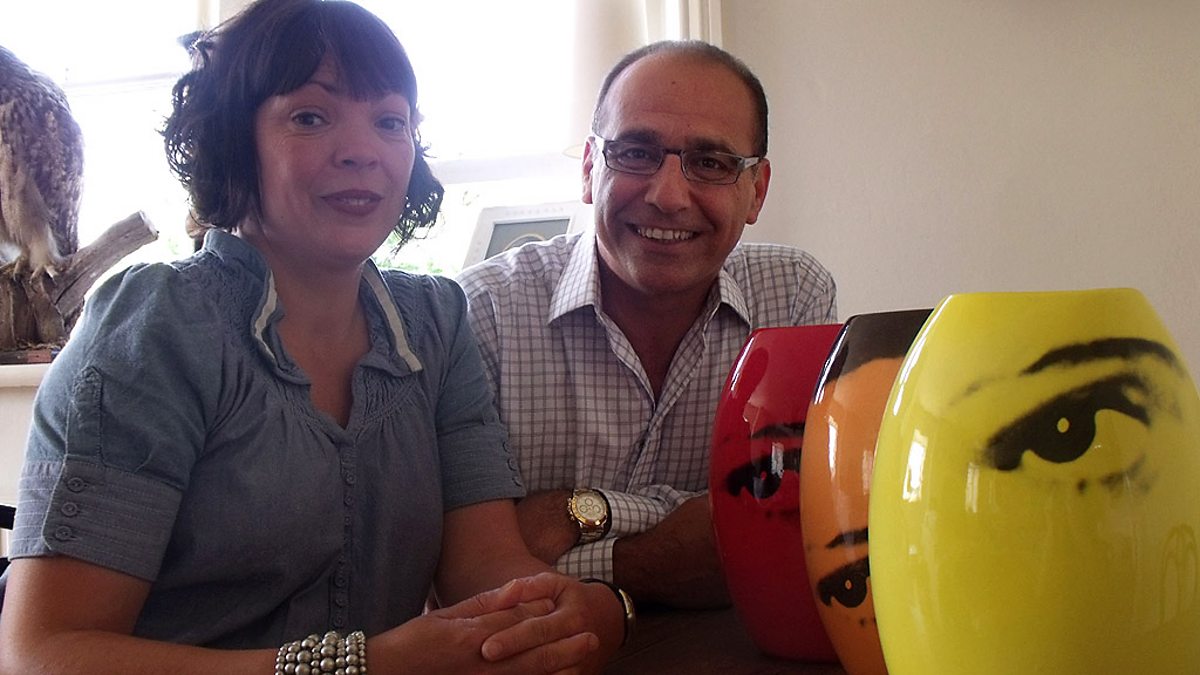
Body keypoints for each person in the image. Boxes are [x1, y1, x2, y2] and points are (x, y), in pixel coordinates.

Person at [0, 1, 628, 673]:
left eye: (390, 121)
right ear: (234, 141)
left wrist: (566, 612)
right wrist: (366, 665)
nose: (363, 150)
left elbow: (485, 566)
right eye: (310, 116)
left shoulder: (435, 321)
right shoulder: (156, 325)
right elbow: (43, 653)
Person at [456, 40, 837, 609]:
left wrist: (578, 514)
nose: (668, 195)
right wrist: (687, 536)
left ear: (756, 191)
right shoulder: (482, 314)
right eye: (635, 153)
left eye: (711, 163)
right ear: (590, 169)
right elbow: (468, 578)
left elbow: (792, 521)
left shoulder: (794, 297)